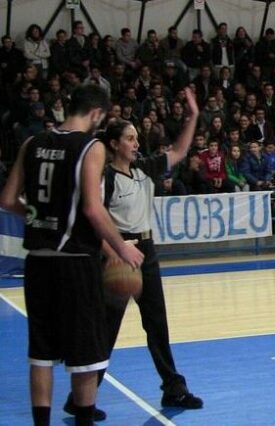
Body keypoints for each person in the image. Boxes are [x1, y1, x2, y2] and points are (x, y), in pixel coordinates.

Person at [0, 85, 145, 426]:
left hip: (37, 261)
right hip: (75, 262)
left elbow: (7, 200)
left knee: (41, 354)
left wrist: (37, 214)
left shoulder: (31, 143)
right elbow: (93, 211)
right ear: (96, 114)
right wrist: (122, 247)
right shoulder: (90, 147)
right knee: (85, 357)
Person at [90, 87, 203, 416]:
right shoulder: (105, 177)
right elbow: (91, 218)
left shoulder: (146, 168)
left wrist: (193, 116)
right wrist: (113, 248)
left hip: (147, 250)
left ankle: (174, 388)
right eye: (129, 138)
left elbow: (180, 151)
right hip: (117, 250)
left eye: (136, 137)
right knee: (107, 327)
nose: (136, 142)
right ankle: (84, 394)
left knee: (157, 323)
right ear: (114, 144)